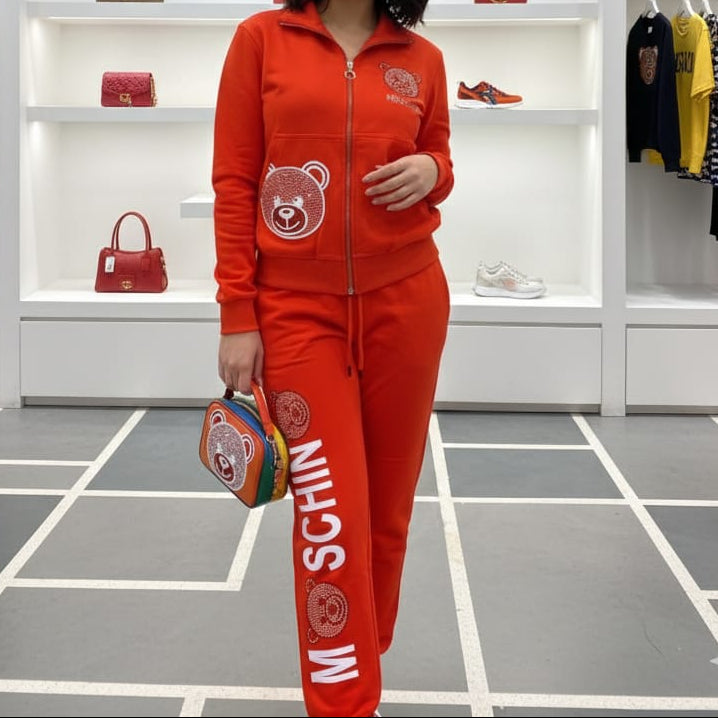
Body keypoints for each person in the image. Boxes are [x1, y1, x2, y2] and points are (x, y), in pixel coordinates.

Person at [212, 0, 453, 715]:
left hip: (408, 302)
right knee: (330, 520)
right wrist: (237, 313)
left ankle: (357, 660)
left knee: (386, 516)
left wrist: (431, 169)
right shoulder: (261, 39)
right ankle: (344, 702)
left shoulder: (423, 59)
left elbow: (441, 158)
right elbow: (234, 179)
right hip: (296, 312)